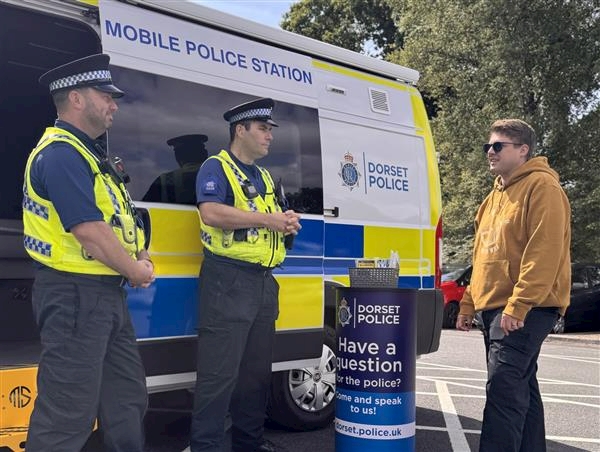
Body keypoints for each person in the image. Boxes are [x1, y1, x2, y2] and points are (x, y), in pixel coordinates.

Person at [23, 53, 155, 452]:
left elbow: (122, 218)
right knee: (66, 416)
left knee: (126, 402)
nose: (114, 105)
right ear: (77, 98)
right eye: (106, 96)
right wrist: (135, 269)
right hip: (75, 296)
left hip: (103, 295)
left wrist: (140, 254)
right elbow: (90, 231)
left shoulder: (91, 155)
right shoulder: (61, 153)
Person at [190, 98, 301, 452]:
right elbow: (211, 213)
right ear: (241, 130)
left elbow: (272, 217)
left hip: (263, 282)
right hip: (228, 280)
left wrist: (287, 222)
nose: (270, 136)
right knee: (218, 377)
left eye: (270, 130)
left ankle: (248, 445)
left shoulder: (263, 176)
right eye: (263, 129)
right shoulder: (216, 167)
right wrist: (269, 220)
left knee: (255, 376)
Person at [457, 119, 571, 452]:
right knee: (521, 390)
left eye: (498, 146)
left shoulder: (543, 187)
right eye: (488, 146)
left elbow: (544, 250)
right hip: (495, 308)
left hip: (527, 309)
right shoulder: (493, 197)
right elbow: (482, 255)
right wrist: (468, 303)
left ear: (523, 150)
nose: (490, 152)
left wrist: (519, 305)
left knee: (503, 393)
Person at [143, 134, 209, 204]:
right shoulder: (216, 177)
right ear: (205, 154)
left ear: (178, 157)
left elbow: (143, 207)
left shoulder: (164, 181)